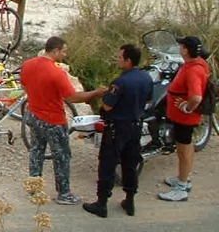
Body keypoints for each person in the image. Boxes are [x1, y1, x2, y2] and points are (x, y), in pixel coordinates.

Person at [21, 36, 108, 206]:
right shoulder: (57, 72)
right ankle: (64, 193)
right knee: (61, 156)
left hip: (33, 115)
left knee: (36, 151)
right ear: (55, 50)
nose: (65, 54)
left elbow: (24, 85)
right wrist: (95, 93)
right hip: (53, 120)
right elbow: (73, 97)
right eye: (64, 51)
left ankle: (34, 188)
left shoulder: (28, 65)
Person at [82, 44, 154, 218]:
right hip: (135, 126)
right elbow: (149, 102)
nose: (117, 59)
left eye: (120, 57)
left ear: (128, 61)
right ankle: (129, 201)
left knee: (107, 164)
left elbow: (107, 105)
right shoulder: (147, 78)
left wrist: (102, 97)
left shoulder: (120, 82)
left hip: (117, 128)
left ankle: (102, 204)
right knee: (130, 164)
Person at [158, 35, 211, 202]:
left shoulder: (194, 70)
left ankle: (181, 188)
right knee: (187, 148)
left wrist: (186, 107)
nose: (179, 47)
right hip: (183, 117)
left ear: (186, 49)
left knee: (183, 150)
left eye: (181, 45)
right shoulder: (195, 64)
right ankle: (184, 178)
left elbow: (196, 97)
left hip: (185, 118)